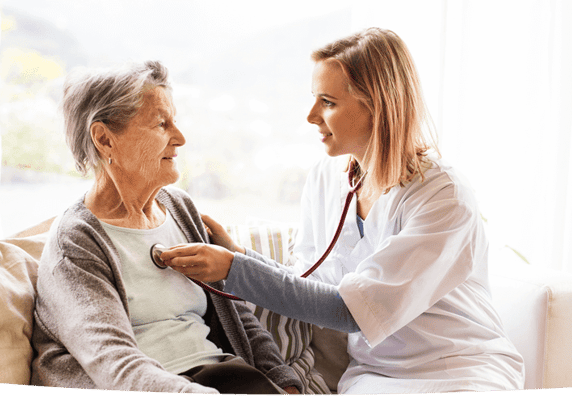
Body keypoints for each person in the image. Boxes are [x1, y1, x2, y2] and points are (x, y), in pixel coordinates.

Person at [160, 28, 525, 394]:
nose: (311, 116)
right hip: (375, 372)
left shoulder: (443, 197)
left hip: (458, 368)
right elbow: (309, 285)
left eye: (328, 102)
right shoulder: (326, 177)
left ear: (378, 105)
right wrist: (240, 256)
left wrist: (233, 268)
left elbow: (348, 311)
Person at [29, 60, 302, 395]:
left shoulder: (179, 208)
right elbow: (113, 362)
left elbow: (236, 314)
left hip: (224, 376)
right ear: (104, 139)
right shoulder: (76, 241)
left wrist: (284, 381)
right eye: (161, 124)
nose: (180, 138)